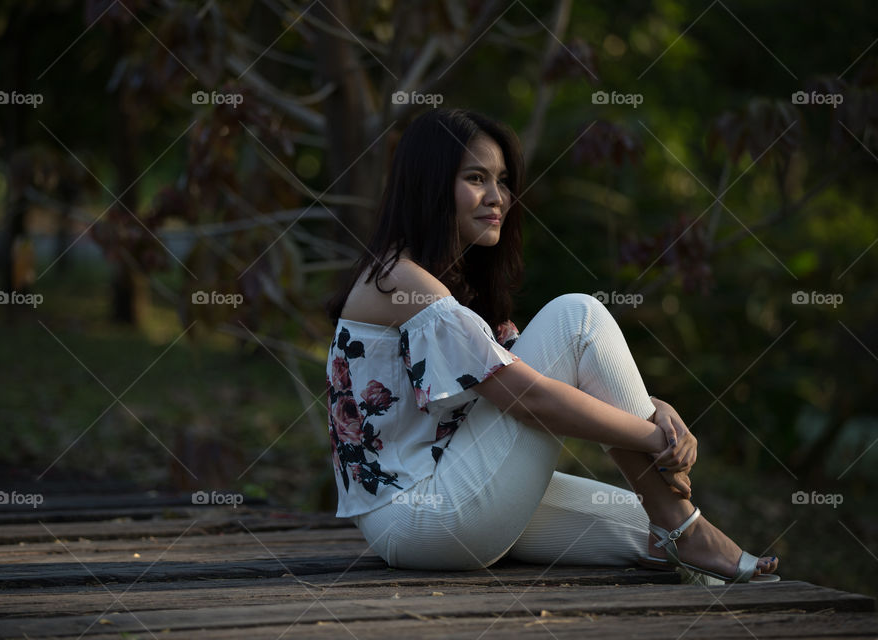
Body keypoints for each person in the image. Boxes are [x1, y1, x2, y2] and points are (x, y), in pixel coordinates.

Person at [323, 108, 779, 583]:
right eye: (476, 178)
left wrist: (655, 408)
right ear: (429, 184)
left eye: (502, 181)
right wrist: (651, 435)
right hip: (423, 516)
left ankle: (690, 546)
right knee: (577, 316)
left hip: (453, 494)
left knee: (653, 535)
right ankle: (685, 525)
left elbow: (564, 375)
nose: (497, 198)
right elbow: (531, 398)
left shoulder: (449, 283)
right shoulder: (398, 279)